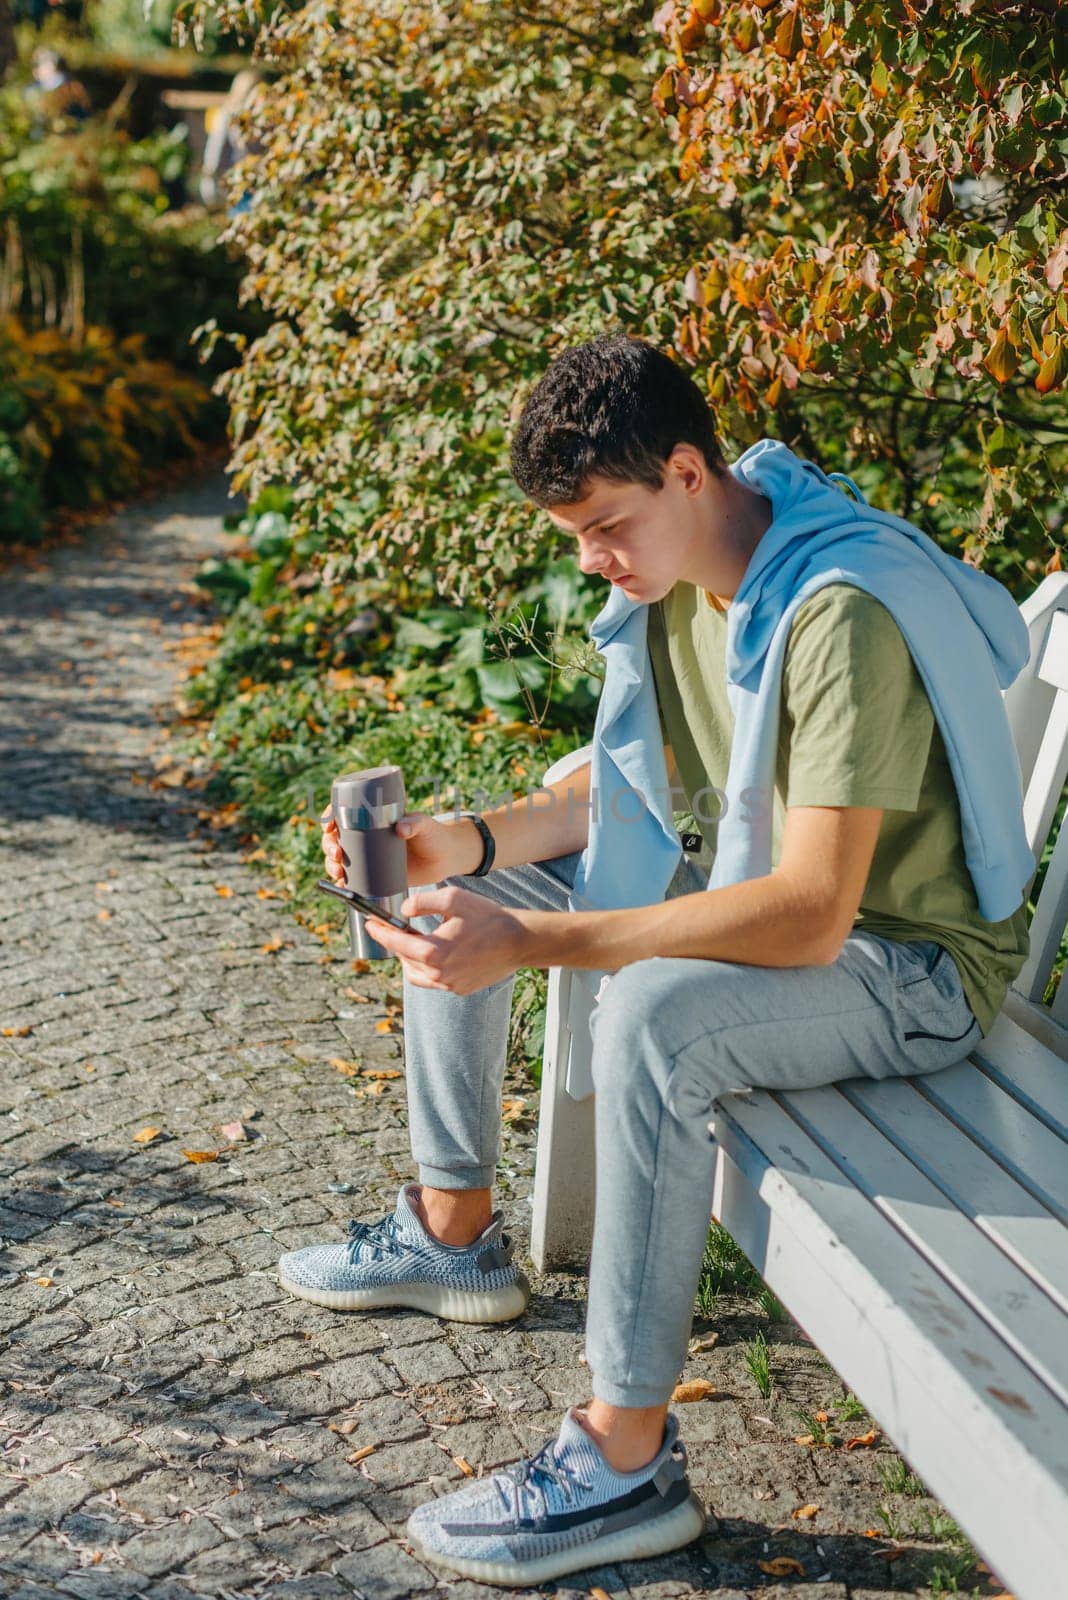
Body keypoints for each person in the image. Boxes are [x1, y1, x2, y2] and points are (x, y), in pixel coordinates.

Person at [278, 336, 1032, 1587]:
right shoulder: (680, 577)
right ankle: (457, 1231)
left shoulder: (836, 610)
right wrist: (449, 847)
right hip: (805, 920)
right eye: (575, 534)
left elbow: (807, 916)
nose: (592, 561)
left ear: (688, 471)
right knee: (472, 889)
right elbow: (621, 802)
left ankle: (625, 1458)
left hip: (913, 970)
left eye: (607, 526)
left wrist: (539, 942)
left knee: (652, 1019)